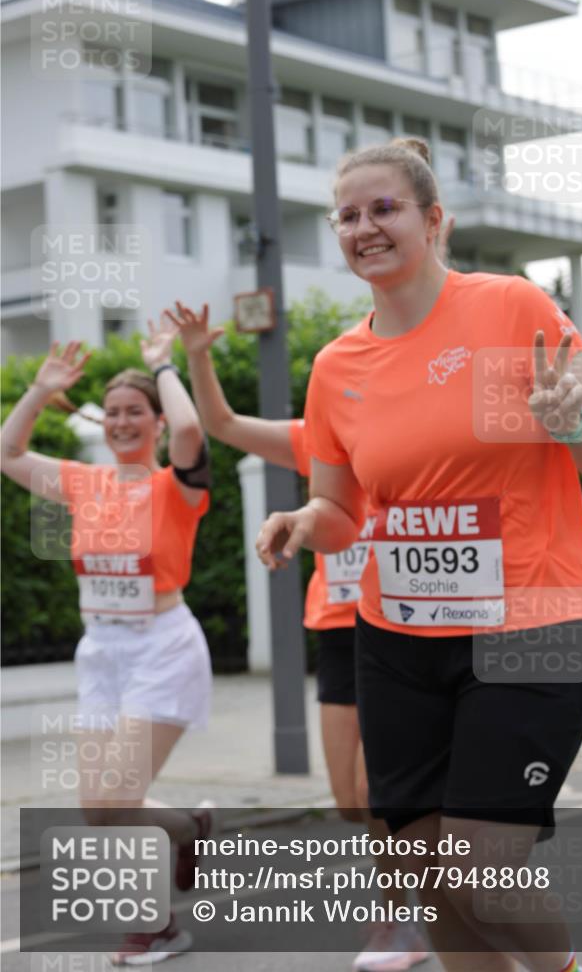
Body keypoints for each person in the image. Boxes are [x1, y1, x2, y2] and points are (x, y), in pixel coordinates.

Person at [256, 137, 582, 972]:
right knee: (417, 865)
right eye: (347, 216)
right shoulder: (335, 366)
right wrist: (299, 521)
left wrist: (569, 423)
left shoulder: (511, 308)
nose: (364, 228)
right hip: (396, 637)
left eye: (384, 208)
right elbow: (340, 510)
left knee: (484, 866)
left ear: (432, 220)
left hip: (526, 625)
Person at [167, 300, 430, 972]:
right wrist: (196, 351)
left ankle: (398, 919)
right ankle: (432, 877)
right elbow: (221, 424)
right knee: (348, 801)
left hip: (398, 624)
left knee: (379, 791)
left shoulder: (414, 436)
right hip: (337, 630)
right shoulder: (314, 435)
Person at [0, 318, 215, 966]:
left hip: (163, 649)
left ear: (152, 421)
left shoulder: (174, 487)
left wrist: (163, 365)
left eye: (135, 413)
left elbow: (189, 432)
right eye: (114, 413)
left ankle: (156, 928)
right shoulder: (84, 484)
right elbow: (8, 454)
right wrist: (38, 391)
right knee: (100, 810)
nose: (122, 423)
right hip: (101, 653)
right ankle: (191, 829)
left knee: (116, 802)